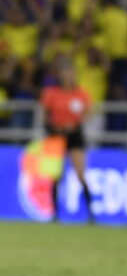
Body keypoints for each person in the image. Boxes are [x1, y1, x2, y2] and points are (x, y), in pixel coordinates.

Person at [40, 61, 95, 223]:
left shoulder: (81, 93)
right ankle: (54, 213)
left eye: (71, 73)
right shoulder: (52, 93)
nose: (69, 77)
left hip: (75, 135)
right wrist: (53, 126)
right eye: (65, 74)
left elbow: (89, 113)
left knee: (80, 174)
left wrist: (76, 124)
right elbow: (44, 114)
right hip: (56, 136)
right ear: (60, 76)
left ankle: (91, 214)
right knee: (56, 175)